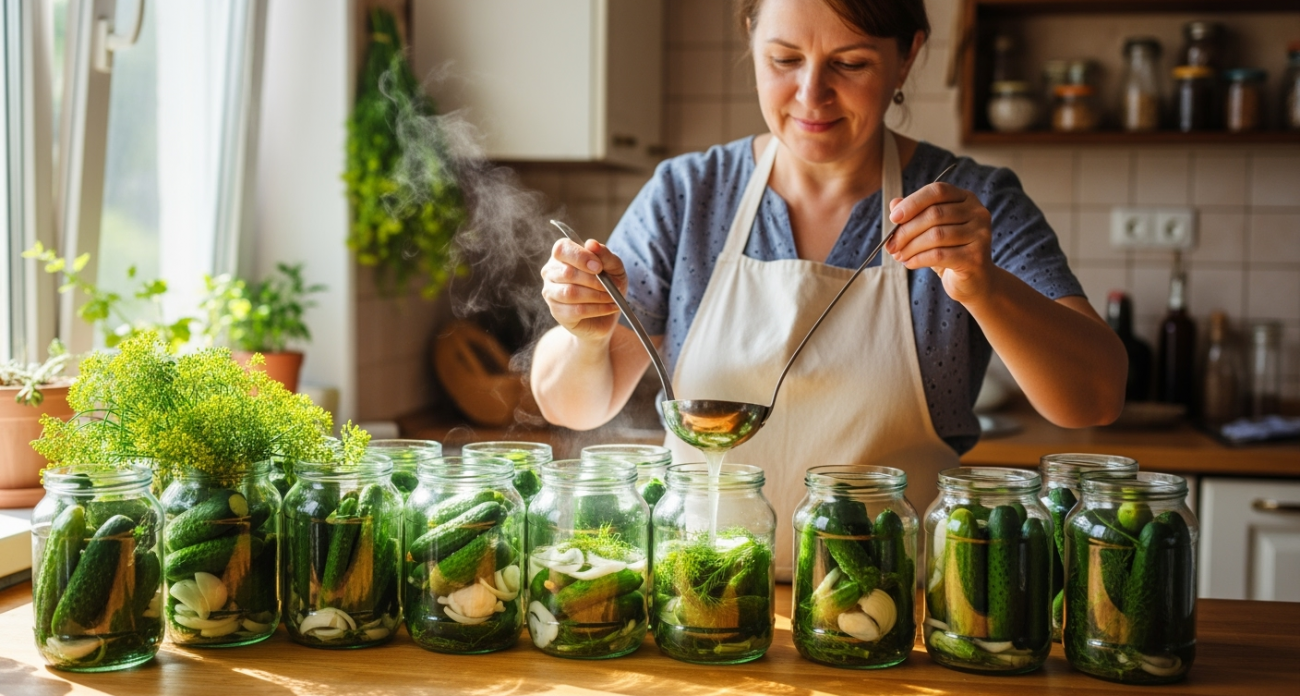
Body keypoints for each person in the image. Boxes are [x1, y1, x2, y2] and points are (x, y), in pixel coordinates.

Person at [531, 0, 1126, 579]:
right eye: (785, 59)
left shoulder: (972, 202)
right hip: (704, 595)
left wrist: (984, 285)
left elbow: (1095, 396)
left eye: (851, 63)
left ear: (907, 57)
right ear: (750, 41)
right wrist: (584, 336)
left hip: (898, 609)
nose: (811, 94)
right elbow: (573, 407)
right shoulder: (689, 195)